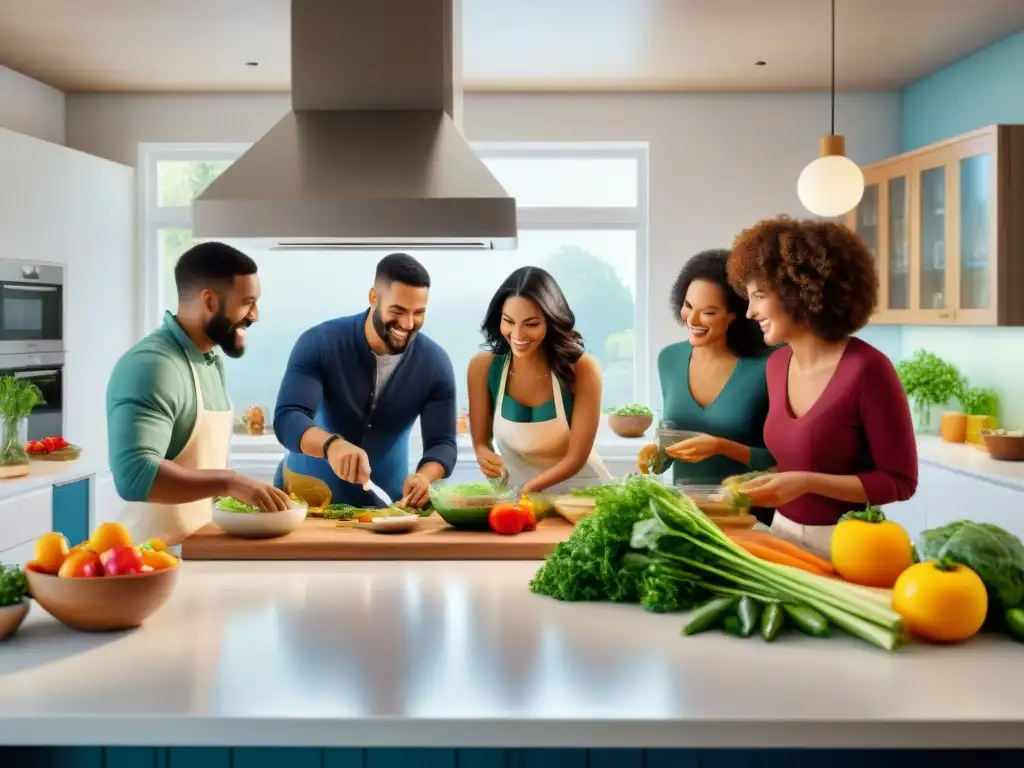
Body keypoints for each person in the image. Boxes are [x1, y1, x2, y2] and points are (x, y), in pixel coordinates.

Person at [726, 216, 918, 558]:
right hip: (780, 534)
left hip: (850, 545)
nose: (750, 312)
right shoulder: (776, 366)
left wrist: (806, 482)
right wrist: (751, 486)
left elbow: (899, 482)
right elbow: (792, 459)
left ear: (799, 292)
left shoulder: (868, 370)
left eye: (759, 296)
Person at [106, 242, 291, 547]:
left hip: (196, 549)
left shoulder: (209, 360)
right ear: (209, 302)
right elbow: (134, 476)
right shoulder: (152, 365)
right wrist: (230, 482)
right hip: (148, 561)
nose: (255, 315)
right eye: (247, 302)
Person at [273, 253, 457, 508]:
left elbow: (443, 443)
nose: (408, 323)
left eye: (419, 313)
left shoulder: (436, 363)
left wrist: (426, 476)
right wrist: (331, 445)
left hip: (389, 504)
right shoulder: (319, 343)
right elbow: (289, 417)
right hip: (307, 500)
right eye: (398, 311)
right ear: (373, 298)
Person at [641, 250, 774, 509]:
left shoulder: (769, 365)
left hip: (751, 515)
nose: (692, 320)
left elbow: (783, 460)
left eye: (709, 312)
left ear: (735, 315)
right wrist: (657, 455)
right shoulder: (669, 359)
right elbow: (673, 436)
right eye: (688, 306)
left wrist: (721, 447)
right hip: (688, 514)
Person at [467, 266, 612, 495]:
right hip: (519, 498)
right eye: (509, 321)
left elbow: (576, 458)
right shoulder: (482, 368)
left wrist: (529, 490)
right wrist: (482, 453)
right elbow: (481, 442)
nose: (517, 334)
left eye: (531, 324)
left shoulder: (583, 369)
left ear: (550, 320)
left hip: (582, 498)